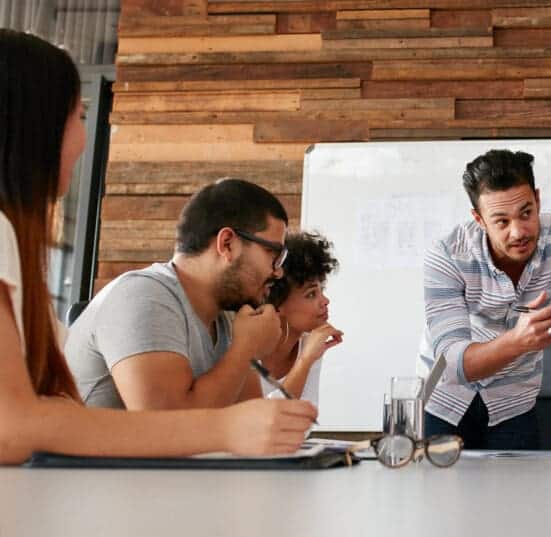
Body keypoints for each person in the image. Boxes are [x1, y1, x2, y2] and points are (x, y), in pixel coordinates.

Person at [0, 29, 315, 464]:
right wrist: (226, 421)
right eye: (80, 116)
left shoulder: (229, 320)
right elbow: (13, 428)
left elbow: (49, 411)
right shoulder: (144, 294)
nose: (83, 139)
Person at [418, 149, 551, 452]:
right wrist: (518, 341)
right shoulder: (447, 254)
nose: (518, 231)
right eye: (501, 221)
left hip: (513, 403)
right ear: (479, 219)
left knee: (520, 484)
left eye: (526, 213)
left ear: (538, 199)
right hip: (443, 401)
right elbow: (452, 362)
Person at [66, 177, 292, 410]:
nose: (278, 271)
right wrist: (246, 349)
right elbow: (166, 424)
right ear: (227, 244)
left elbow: (250, 420)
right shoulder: (144, 296)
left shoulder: (228, 318)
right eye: (273, 254)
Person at [260, 231, 344, 403]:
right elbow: (264, 417)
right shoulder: (247, 346)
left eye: (321, 290)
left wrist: (308, 357)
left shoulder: (310, 344)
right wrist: (304, 361)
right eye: (311, 294)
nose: (325, 301)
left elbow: (306, 416)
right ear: (277, 303)